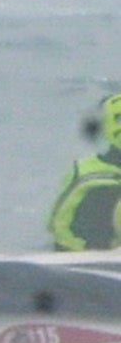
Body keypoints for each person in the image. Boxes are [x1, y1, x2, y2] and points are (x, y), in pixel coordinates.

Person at [47, 94, 121, 251]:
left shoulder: (83, 170)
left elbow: (56, 226)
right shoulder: (87, 174)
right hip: (90, 252)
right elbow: (60, 228)